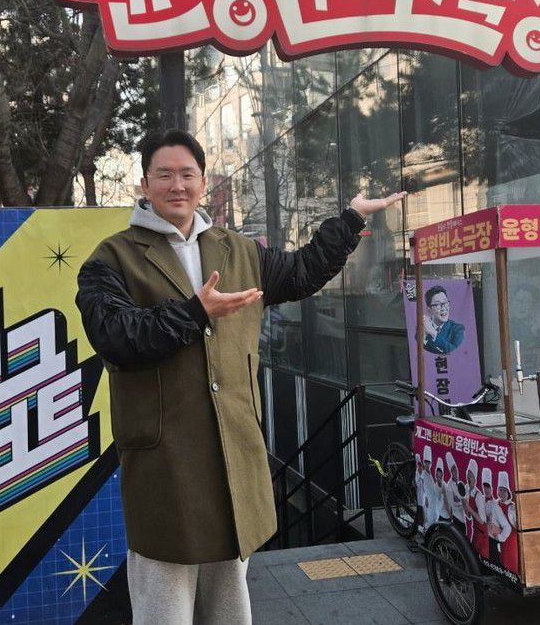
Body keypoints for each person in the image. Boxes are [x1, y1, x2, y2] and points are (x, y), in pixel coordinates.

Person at [74, 128, 407, 625]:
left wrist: (351, 218)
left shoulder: (238, 250)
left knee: (229, 606)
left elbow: (302, 272)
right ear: (144, 184)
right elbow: (115, 335)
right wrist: (194, 313)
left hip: (233, 457)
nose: (177, 185)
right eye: (164, 175)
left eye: (187, 174)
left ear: (203, 182)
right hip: (165, 465)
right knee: (164, 605)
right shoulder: (111, 258)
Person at [422, 285, 465, 355]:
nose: (443, 308)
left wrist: (433, 333)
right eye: (437, 304)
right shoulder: (422, 328)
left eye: (445, 303)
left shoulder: (458, 329)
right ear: (429, 309)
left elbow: (455, 352)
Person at [481, 467, 510, 566]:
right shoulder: (480, 501)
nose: (486, 490)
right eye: (484, 487)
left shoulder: (495, 506)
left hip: (492, 542)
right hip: (482, 540)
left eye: (488, 487)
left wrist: (500, 538)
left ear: (491, 488)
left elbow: (507, 527)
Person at [463, 458, 488, 558]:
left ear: (475, 478)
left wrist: (469, 508)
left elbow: (482, 521)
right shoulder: (467, 490)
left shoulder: (478, 495)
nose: (469, 478)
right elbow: (469, 516)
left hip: (482, 532)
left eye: (471, 476)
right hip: (475, 530)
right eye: (468, 475)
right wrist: (465, 506)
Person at [497, 471, 518, 572]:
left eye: (504, 490)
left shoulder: (512, 507)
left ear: (508, 492)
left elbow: (516, 526)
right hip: (500, 538)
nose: (502, 493)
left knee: (511, 563)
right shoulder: (495, 504)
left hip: (511, 540)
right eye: (500, 490)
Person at [443, 451, 466, 535]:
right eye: (452, 469)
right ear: (450, 471)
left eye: (455, 468)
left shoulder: (461, 482)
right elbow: (450, 504)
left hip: (464, 516)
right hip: (456, 517)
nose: (455, 471)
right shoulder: (449, 486)